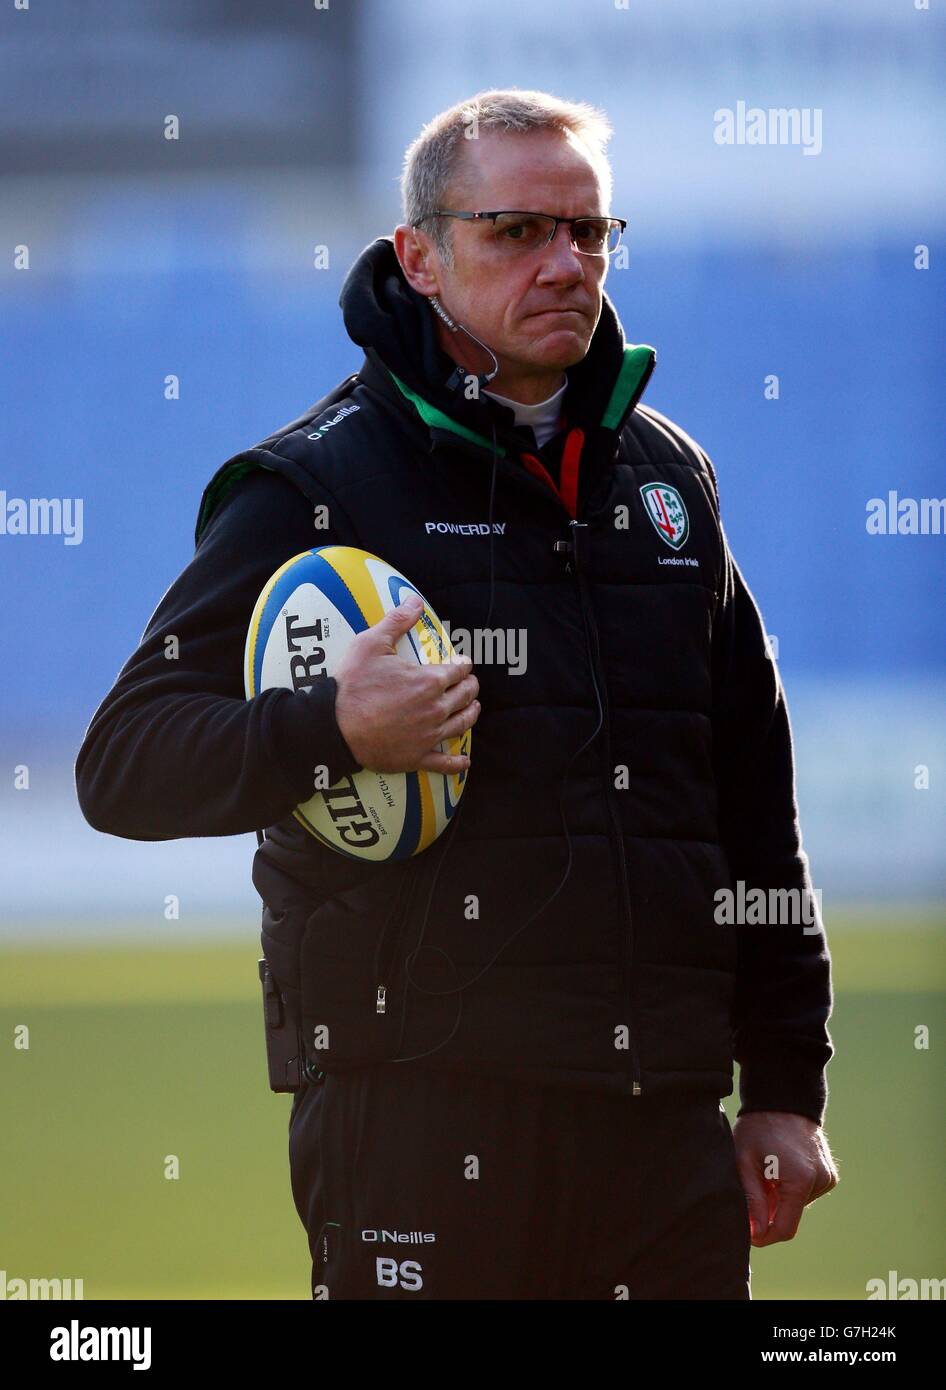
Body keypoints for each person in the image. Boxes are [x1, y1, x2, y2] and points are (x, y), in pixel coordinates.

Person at [75, 88, 838, 1300]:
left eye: (588, 233)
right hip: (418, 1119)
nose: (565, 264)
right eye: (517, 231)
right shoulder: (316, 486)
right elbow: (123, 762)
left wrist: (787, 1084)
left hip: (660, 1131)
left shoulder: (670, 481)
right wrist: (329, 730)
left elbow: (753, 803)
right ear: (420, 257)